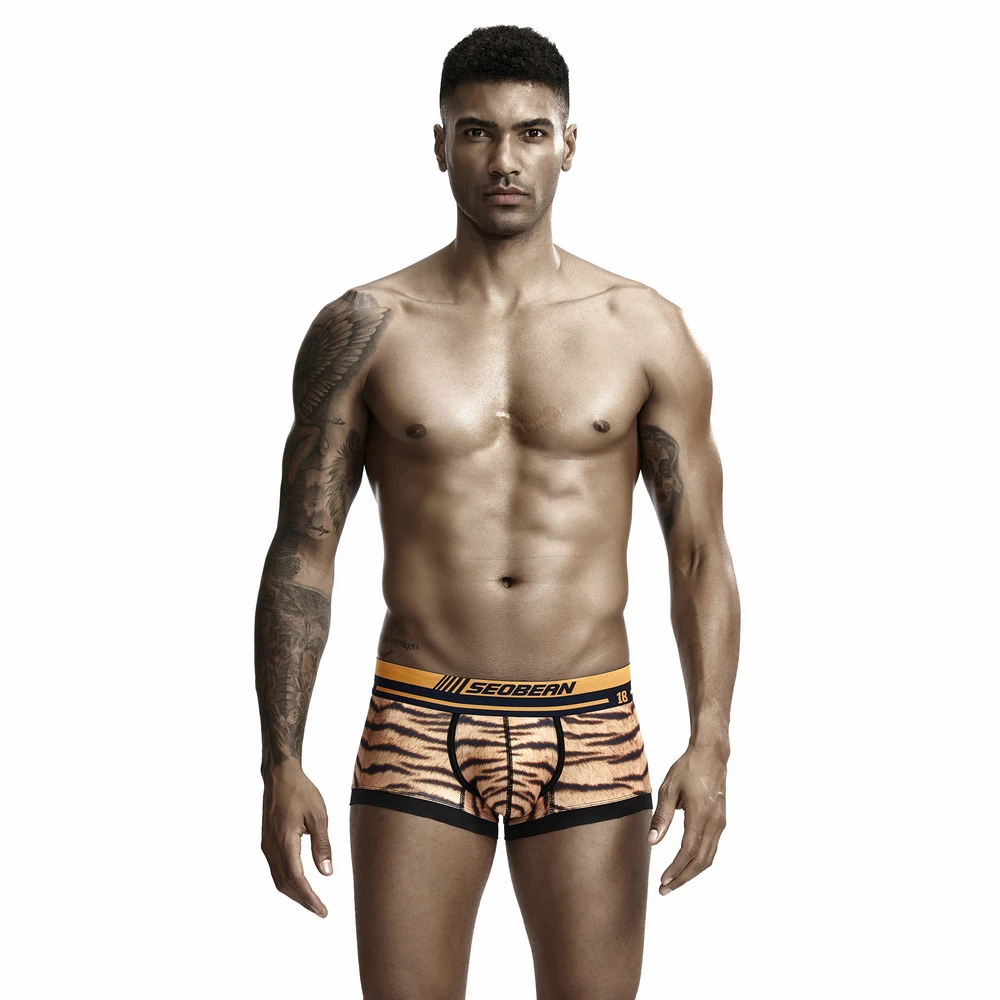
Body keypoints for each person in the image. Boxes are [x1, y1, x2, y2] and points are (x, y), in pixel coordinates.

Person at [254, 23, 740, 1000]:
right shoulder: (366, 327)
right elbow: (304, 548)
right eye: (477, 132)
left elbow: (698, 554)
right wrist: (280, 760)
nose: (504, 159)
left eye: (530, 132)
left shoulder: (643, 328)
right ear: (440, 145)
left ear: (570, 144)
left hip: (591, 722)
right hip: (418, 718)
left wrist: (711, 741)